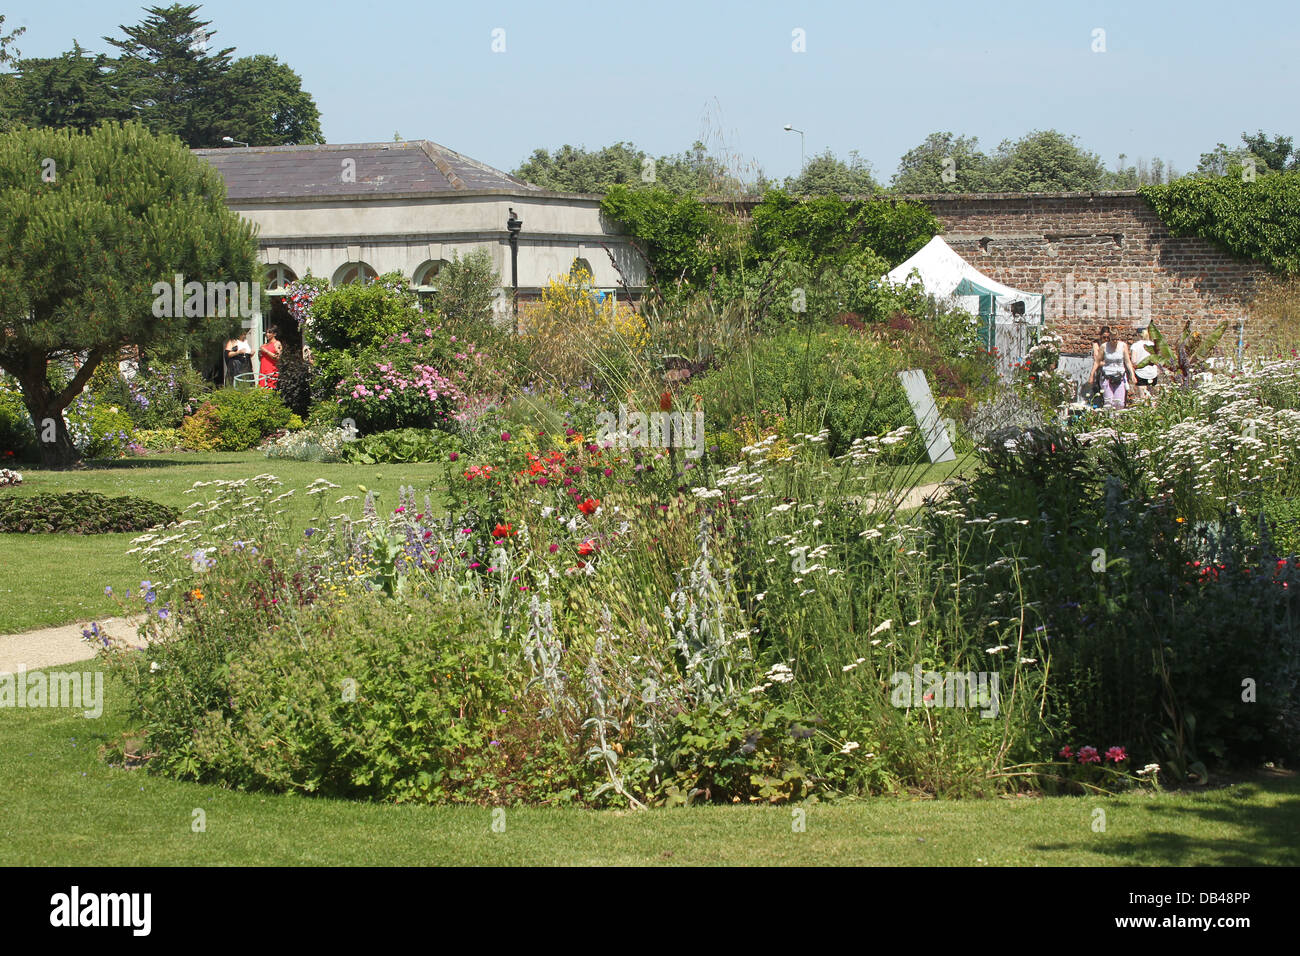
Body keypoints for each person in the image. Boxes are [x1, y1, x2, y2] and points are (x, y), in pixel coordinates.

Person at [1089, 324, 1137, 410]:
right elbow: (1097, 361)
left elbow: (1127, 361)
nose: (1114, 341)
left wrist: (1132, 374)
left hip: (1119, 376)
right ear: (1109, 338)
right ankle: (1109, 421)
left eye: (1116, 339)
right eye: (1112, 339)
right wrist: (1092, 375)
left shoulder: (1123, 346)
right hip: (1107, 377)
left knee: (1119, 403)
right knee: (1108, 403)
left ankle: (1117, 421)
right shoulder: (1104, 347)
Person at [1129, 321, 1160, 400]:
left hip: (1141, 373)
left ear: (1138, 335)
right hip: (1152, 373)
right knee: (1153, 397)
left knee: (1143, 397)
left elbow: (1134, 361)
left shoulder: (1135, 346)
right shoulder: (1153, 345)